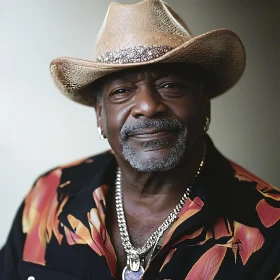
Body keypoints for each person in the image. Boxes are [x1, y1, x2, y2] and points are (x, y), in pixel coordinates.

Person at [1, 0, 279, 279]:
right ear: (100, 115)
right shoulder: (48, 195)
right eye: (122, 91)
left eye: (170, 85)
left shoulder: (269, 228)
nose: (147, 106)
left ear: (203, 104)